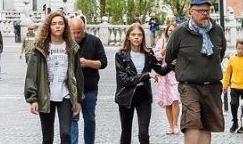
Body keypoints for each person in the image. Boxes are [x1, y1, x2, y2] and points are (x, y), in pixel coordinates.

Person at [164, 0, 226, 144]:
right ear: (191, 11)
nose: (205, 14)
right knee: (191, 122)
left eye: (207, 11)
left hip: (212, 86)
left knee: (207, 124)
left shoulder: (217, 30)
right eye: (200, 11)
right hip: (189, 86)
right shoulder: (180, 32)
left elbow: (220, 55)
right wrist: (184, 70)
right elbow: (169, 57)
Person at [25, 11, 84, 144]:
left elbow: (78, 74)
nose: (57, 26)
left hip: (66, 96)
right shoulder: (39, 48)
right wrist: (32, 99)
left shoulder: (71, 47)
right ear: (49, 26)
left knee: (66, 134)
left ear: (65, 26)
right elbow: (31, 75)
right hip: (46, 96)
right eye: (54, 23)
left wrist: (78, 100)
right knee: (47, 137)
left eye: (60, 23)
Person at [115, 23, 173, 144]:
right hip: (126, 95)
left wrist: (172, 64)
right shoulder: (121, 55)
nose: (136, 37)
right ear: (128, 37)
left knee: (144, 134)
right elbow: (123, 80)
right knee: (126, 132)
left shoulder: (148, 53)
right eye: (133, 34)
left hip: (144, 95)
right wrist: (146, 75)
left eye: (139, 35)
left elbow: (161, 71)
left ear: (143, 37)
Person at [70, 16, 107, 144]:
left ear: (84, 28)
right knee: (72, 119)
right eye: (73, 32)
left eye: (79, 32)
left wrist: (88, 63)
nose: (76, 35)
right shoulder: (66, 42)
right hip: (72, 90)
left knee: (89, 119)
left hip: (90, 88)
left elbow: (103, 63)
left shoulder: (95, 41)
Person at [152, 21, 180, 135]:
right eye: (170, 30)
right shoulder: (161, 41)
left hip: (175, 74)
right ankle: (170, 126)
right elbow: (156, 57)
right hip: (164, 74)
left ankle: (175, 124)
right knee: (167, 101)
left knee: (175, 99)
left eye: (174, 30)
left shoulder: (180, 42)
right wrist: (166, 47)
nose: (172, 32)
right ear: (166, 31)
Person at [223, 38, 243, 133]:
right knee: (233, 104)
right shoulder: (232, 60)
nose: (240, 50)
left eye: (242, 49)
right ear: (236, 48)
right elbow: (227, 73)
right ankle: (235, 122)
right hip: (234, 87)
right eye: (238, 48)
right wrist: (225, 85)